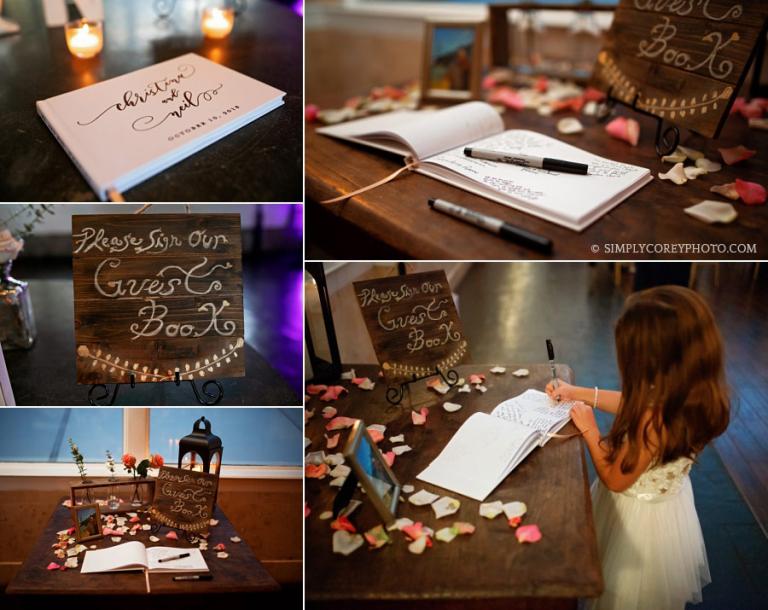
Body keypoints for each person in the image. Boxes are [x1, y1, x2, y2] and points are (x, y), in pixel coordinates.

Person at [545, 286, 729, 610]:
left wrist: (590, 430)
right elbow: (639, 402)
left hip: (638, 523)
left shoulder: (652, 421)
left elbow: (616, 480)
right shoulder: (698, 394)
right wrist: (579, 392)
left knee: (627, 596)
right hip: (671, 506)